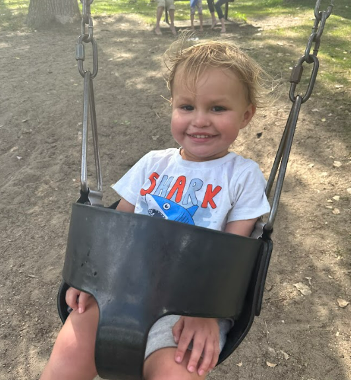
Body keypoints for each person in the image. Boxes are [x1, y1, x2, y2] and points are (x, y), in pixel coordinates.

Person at [40, 39, 270, 380]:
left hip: (193, 307)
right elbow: (119, 228)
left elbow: (235, 255)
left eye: (218, 108)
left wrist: (206, 311)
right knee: (70, 351)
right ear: (172, 107)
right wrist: (93, 279)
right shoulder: (151, 164)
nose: (200, 120)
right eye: (187, 107)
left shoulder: (243, 176)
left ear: (246, 115)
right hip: (121, 289)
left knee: (178, 372)